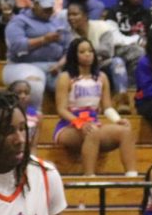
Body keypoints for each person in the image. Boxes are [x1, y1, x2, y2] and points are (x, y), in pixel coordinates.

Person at [53, 37, 137, 177]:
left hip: (93, 123)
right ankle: (89, 176)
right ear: (74, 55)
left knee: (125, 131)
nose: (87, 54)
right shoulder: (66, 77)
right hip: (68, 125)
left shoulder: (101, 77)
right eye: (82, 51)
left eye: (90, 51)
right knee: (93, 132)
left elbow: (107, 107)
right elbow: (61, 109)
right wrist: (80, 123)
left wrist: (117, 120)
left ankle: (132, 175)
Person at [66, 0, 140, 111]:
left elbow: (108, 52)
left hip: (103, 66)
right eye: (69, 15)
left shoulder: (101, 27)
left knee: (118, 62)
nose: (71, 18)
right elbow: (71, 57)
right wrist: (94, 52)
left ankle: (122, 101)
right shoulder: (68, 35)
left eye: (75, 14)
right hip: (82, 69)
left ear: (85, 16)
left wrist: (84, 51)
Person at [3, 0, 70, 108]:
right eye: (45, 8)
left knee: (75, 85)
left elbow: (68, 48)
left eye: (50, 8)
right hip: (22, 65)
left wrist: (60, 64)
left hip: (54, 66)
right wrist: (44, 40)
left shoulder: (58, 22)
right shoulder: (19, 21)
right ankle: (31, 119)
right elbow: (16, 46)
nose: (48, 11)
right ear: (35, 5)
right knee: (34, 84)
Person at [9, 78, 40, 150]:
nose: (23, 96)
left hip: (26, 153)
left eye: (26, 93)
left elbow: (33, 146)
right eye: (18, 93)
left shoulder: (37, 116)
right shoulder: (7, 114)